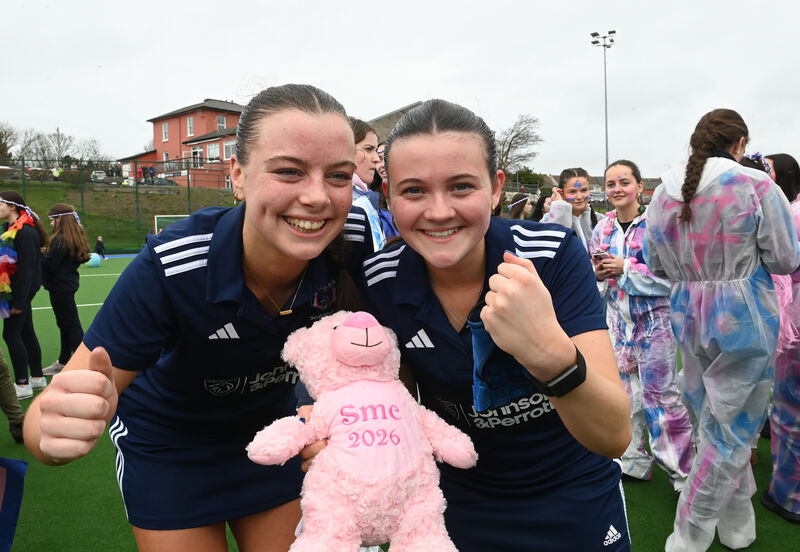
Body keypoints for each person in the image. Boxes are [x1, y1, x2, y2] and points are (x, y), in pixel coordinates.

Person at [23, 84, 372, 551]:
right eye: (288, 171)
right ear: (238, 175)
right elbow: (48, 417)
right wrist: (54, 429)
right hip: (171, 449)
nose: (317, 197)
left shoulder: (350, 241)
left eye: (339, 176)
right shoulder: (175, 264)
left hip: (275, 436)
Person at [358, 99, 632, 551]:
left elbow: (614, 436)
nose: (439, 210)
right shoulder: (379, 279)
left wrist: (546, 351)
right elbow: (397, 414)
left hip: (573, 492)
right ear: (388, 195)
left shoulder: (550, 255)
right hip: (458, 501)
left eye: (461, 186)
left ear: (496, 187)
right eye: (413, 191)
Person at [645, 109, 800, 551]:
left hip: (687, 315)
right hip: (745, 317)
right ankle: (689, 534)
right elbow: (786, 259)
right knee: (731, 429)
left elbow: (655, 264)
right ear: (740, 142)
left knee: (714, 422)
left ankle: (737, 525)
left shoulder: (661, 195)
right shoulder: (755, 186)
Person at [590, 160, 695, 489]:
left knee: (660, 398)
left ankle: (682, 474)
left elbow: (675, 278)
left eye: (624, 182)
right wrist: (598, 276)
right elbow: (594, 277)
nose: (617, 189)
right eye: (611, 184)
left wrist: (626, 268)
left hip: (655, 325)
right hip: (616, 323)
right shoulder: (602, 229)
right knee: (624, 396)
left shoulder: (656, 225)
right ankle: (632, 461)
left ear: (639, 187)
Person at [760, 152, 800, 524]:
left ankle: (789, 496)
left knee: (791, 411)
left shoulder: (789, 215)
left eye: (766, 169)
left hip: (793, 327)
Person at [0, 191, 48, 400]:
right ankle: (37, 378)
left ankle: (22, 384)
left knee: (10, 335)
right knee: (26, 333)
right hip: (14, 291)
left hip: (19, 293)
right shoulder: (8, 229)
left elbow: (28, 270)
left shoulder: (26, 232)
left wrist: (19, 301)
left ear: (12, 206)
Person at [41, 204, 91, 376]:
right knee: (65, 324)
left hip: (60, 287)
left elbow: (50, 266)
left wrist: (39, 256)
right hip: (66, 285)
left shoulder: (59, 239)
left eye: (52, 219)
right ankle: (64, 361)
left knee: (71, 325)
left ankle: (82, 364)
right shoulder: (71, 236)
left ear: (60, 218)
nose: (51, 223)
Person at [543, 167, 603, 250]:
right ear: (561, 193)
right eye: (572, 192)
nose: (579, 197)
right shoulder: (547, 220)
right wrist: (559, 211)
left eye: (584, 190)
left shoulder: (602, 221)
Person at [350, 118, 386, 251]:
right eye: (369, 149)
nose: (376, 159)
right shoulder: (348, 200)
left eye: (375, 150)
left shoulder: (363, 195)